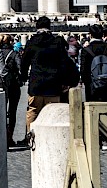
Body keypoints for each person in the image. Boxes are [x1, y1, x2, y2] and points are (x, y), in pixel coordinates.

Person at [19, 16, 79, 147]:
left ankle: (29, 136)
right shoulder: (57, 42)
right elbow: (64, 63)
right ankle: (52, 139)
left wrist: (23, 76)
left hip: (36, 83)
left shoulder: (32, 42)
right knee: (53, 111)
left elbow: (24, 62)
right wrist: (64, 81)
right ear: (50, 26)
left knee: (33, 110)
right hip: (53, 83)